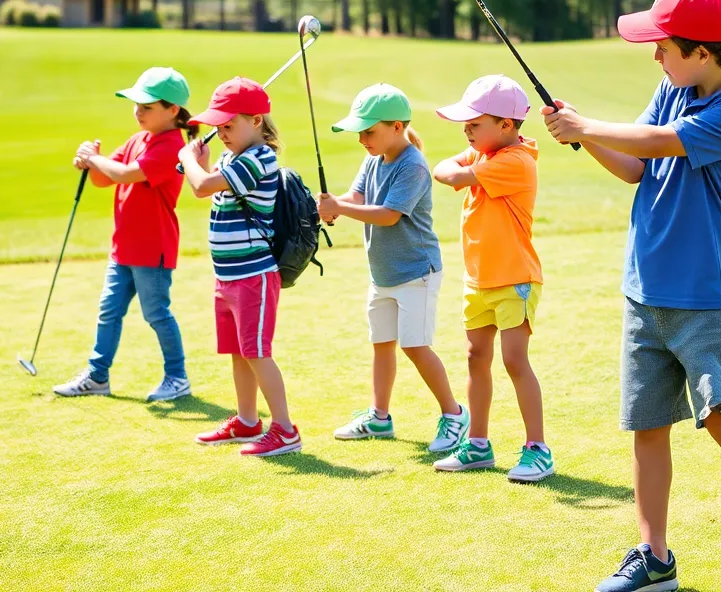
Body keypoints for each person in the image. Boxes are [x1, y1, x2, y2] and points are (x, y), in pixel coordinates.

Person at [544, 0, 721, 591]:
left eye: (663, 44)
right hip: (645, 289)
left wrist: (590, 127)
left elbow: (666, 143)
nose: (655, 54)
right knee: (647, 425)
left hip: (703, 296)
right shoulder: (672, 86)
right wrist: (579, 136)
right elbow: (638, 165)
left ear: (701, 51)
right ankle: (654, 558)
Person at [320, 83, 469, 453]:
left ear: (397, 127)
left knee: (415, 346)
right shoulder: (373, 158)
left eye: (369, 131)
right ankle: (379, 417)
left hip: (416, 271)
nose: (362, 139)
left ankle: (454, 414)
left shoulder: (413, 166)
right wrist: (335, 203)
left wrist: (342, 208)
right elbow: (358, 196)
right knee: (381, 344)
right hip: (383, 273)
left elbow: (388, 215)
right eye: (361, 132)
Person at [430, 75, 554, 484]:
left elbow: (449, 173)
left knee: (514, 360)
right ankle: (479, 444)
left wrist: (462, 161)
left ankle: (537, 449)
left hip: (514, 278)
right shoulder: (484, 152)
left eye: (474, 123)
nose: (466, 130)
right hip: (479, 279)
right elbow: (441, 166)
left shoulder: (514, 161)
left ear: (506, 125)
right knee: (475, 357)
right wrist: (465, 156)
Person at [53, 67, 194, 403]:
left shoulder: (173, 146)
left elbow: (128, 173)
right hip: (125, 246)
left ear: (173, 110)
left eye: (146, 106)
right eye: (136, 104)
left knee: (156, 313)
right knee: (109, 310)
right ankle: (97, 376)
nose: (137, 111)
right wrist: (90, 164)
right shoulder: (138, 139)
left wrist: (97, 159)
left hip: (153, 246)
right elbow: (107, 179)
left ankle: (177, 377)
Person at [180, 77, 301, 457]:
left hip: (254, 275)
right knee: (238, 351)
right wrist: (197, 164)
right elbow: (207, 186)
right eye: (218, 126)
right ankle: (248, 420)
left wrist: (189, 163)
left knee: (256, 351)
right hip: (228, 276)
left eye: (229, 125)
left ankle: (284, 429)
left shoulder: (258, 157)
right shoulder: (231, 157)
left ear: (257, 121)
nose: (221, 132)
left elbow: (202, 187)